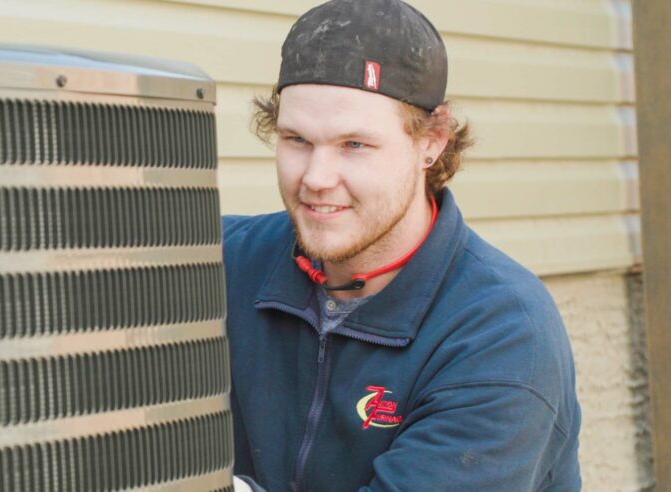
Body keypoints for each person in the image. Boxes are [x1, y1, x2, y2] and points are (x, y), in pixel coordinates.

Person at [222, 1, 581, 490]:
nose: (316, 178)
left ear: (430, 142)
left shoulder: (502, 334)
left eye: (354, 145)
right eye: (297, 140)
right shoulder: (223, 263)